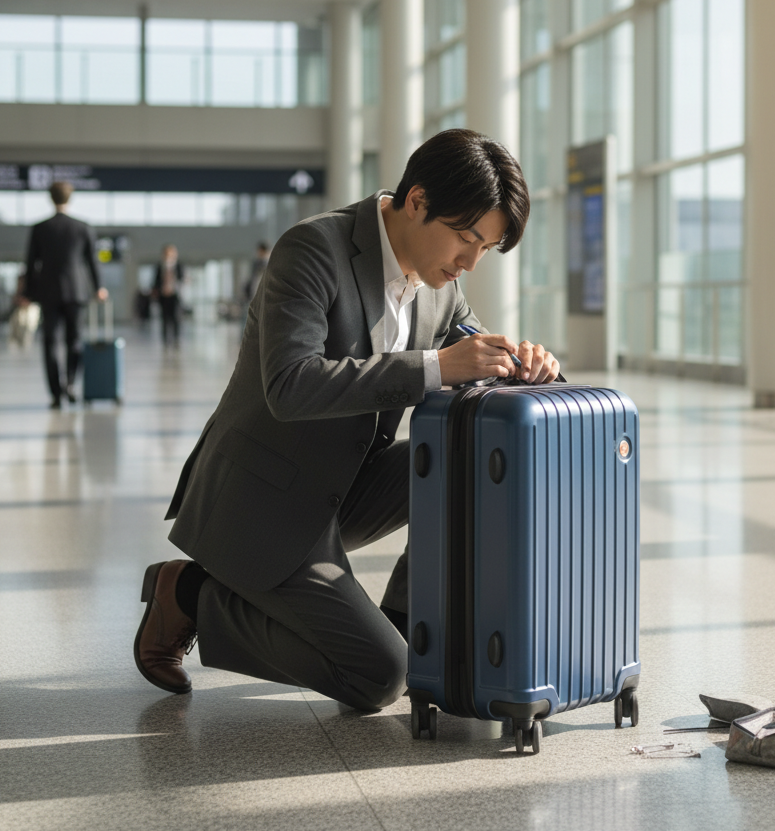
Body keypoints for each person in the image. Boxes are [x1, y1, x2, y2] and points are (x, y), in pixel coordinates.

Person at [133, 129, 560, 710]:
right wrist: (436, 365)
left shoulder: (442, 290)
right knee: (379, 677)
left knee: (464, 460)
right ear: (417, 202)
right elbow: (289, 384)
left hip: (342, 488)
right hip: (264, 500)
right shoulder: (312, 250)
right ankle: (188, 594)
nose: (469, 264)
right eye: (467, 239)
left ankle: (407, 622)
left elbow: (475, 357)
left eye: (485, 249)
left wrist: (529, 367)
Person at [23, 181, 108, 408]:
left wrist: (26, 293)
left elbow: (31, 263)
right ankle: (70, 384)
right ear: (70, 198)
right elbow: (93, 260)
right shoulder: (83, 227)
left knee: (50, 342)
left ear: (51, 198)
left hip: (48, 292)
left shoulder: (40, 228)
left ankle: (55, 392)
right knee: (75, 340)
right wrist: (98, 287)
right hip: (76, 290)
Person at [152, 244, 185, 348]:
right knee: (165, 319)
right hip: (163, 297)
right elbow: (155, 282)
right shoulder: (159, 266)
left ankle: (176, 339)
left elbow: (182, 279)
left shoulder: (179, 266)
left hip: (175, 296)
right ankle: (166, 340)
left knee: (176, 318)